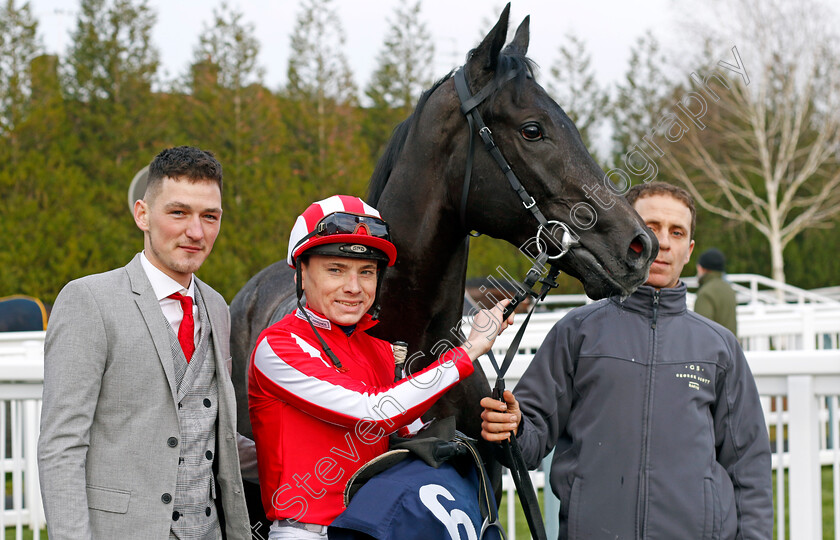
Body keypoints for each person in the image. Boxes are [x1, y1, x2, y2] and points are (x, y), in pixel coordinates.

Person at [480, 182, 772, 539]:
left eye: (676, 232)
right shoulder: (577, 332)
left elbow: (749, 467)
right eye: (651, 228)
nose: (663, 242)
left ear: (688, 249)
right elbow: (529, 439)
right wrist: (512, 427)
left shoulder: (719, 347)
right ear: (626, 234)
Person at [248, 195, 511, 539]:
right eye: (336, 269)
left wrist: (501, 421)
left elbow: (412, 438)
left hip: (380, 529)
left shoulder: (382, 350)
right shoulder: (277, 346)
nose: (354, 288)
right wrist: (468, 349)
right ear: (301, 270)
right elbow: (373, 411)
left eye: (367, 272)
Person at [38, 146, 251, 540]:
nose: (196, 231)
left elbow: (207, 427)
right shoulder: (89, 300)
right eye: (178, 213)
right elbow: (61, 446)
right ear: (143, 215)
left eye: (210, 216)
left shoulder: (218, 308)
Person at [695, 247, 738, 335]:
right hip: (730, 347)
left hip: (713, 348)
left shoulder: (706, 292)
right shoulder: (729, 289)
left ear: (701, 268)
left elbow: (702, 330)